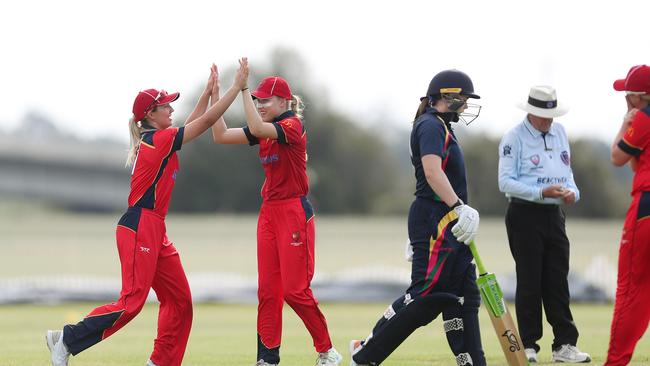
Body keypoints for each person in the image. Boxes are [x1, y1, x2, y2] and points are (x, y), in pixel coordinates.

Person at [45, 60, 249, 366]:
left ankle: (161, 363)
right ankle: (67, 339)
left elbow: (192, 125)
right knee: (131, 303)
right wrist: (235, 87)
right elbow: (204, 124)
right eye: (165, 106)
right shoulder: (158, 139)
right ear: (149, 115)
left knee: (180, 301)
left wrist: (208, 93)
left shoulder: (161, 138)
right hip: (140, 224)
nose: (170, 109)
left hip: (154, 228)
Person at [349, 69, 486, 366]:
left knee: (465, 296)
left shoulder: (442, 127)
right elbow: (432, 172)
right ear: (448, 97)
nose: (466, 105)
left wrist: (456, 211)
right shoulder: (430, 126)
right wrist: (459, 207)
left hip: (446, 220)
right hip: (438, 219)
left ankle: (473, 362)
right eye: (463, 99)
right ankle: (365, 354)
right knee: (426, 296)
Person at [210, 70, 342, 366]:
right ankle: (267, 359)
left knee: (295, 291)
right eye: (256, 100)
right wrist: (216, 97)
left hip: (294, 212)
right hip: (269, 213)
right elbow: (220, 136)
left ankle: (327, 351)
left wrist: (242, 90)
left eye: (264, 100)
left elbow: (256, 127)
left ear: (284, 102)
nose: (259, 105)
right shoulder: (264, 129)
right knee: (268, 291)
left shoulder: (291, 125)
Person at [497, 85, 590, 363]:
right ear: (530, 113)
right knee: (530, 281)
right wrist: (540, 192)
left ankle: (564, 345)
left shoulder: (560, 133)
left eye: (550, 115)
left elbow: (567, 172)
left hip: (554, 215)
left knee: (557, 281)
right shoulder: (514, 138)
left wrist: (573, 193)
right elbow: (505, 182)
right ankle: (528, 345)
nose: (548, 121)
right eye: (542, 115)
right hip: (524, 214)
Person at [606, 64, 650, 366]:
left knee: (632, 288)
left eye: (628, 95)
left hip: (647, 207)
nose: (625, 100)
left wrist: (625, 123)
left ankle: (616, 362)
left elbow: (618, 157)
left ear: (640, 96)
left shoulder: (643, 117)